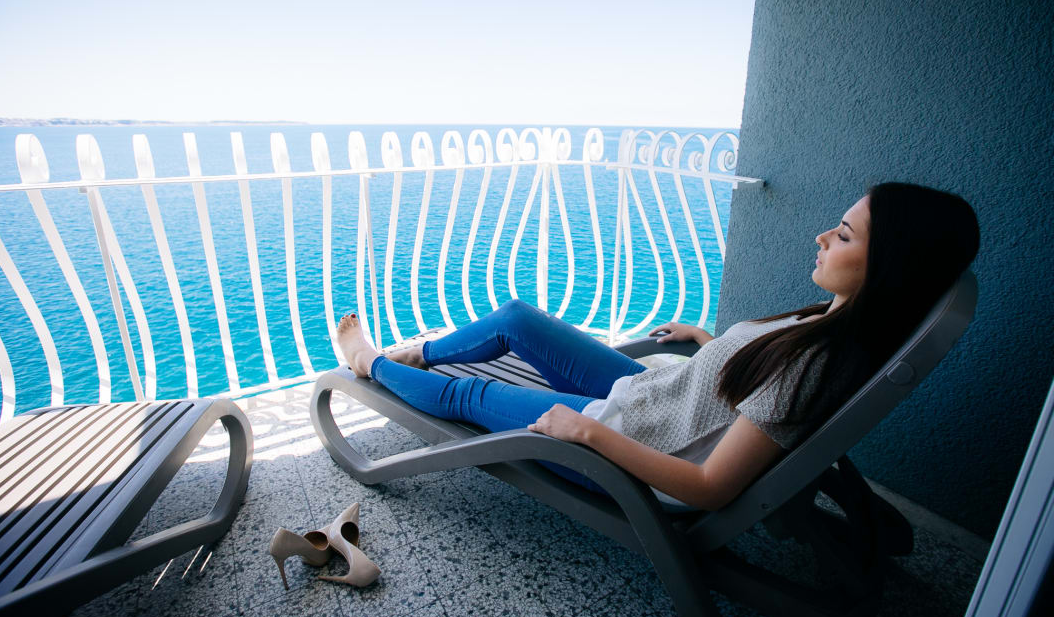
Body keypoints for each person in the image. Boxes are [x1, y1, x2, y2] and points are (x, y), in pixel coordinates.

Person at [335, 182, 979, 510]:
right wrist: (709, 342)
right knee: (518, 320)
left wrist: (588, 433)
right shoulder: (830, 328)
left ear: (889, 267)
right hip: (657, 398)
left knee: (471, 395)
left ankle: (372, 363)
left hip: (628, 439)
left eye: (843, 235)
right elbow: (754, 390)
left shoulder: (815, 363)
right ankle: (421, 353)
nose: (822, 238)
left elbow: (707, 487)